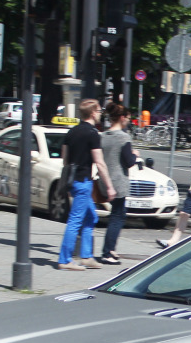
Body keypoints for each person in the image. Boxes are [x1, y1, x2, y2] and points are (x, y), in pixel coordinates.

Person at [56, 99, 115, 271]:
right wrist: (109, 186)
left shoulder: (72, 132)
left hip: (74, 180)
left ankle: (87, 256)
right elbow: (100, 162)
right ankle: (64, 259)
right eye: (98, 111)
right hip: (84, 182)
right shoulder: (92, 133)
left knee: (91, 217)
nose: (100, 114)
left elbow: (65, 159)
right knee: (75, 220)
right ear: (92, 113)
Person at [97, 103, 139, 265]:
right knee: (117, 217)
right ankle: (108, 252)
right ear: (122, 118)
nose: (128, 121)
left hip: (104, 179)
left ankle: (110, 250)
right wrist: (135, 154)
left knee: (115, 215)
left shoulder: (103, 136)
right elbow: (129, 162)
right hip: (118, 181)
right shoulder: (123, 137)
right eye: (128, 118)